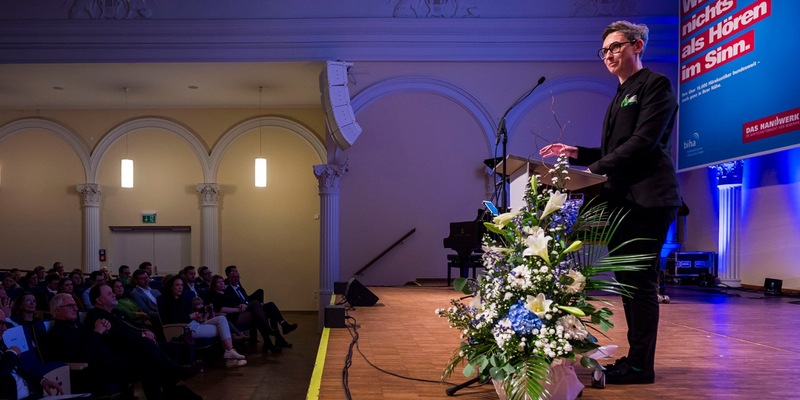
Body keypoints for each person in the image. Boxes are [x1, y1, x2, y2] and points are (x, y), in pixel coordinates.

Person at [539, 20, 680, 385]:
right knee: (628, 284)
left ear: (637, 46)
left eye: (616, 47)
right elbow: (616, 149)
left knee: (640, 283)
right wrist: (577, 153)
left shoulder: (655, 85)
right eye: (604, 51)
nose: (608, 55)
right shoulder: (620, 92)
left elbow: (643, 143)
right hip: (623, 201)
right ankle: (636, 360)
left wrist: (592, 170)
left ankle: (641, 367)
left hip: (648, 199)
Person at [83, 283, 203, 400]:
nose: (114, 294)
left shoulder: (116, 313)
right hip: (118, 357)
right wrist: (141, 335)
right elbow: (118, 337)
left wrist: (145, 331)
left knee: (176, 348)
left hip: (135, 350)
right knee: (150, 361)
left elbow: (135, 326)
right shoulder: (96, 317)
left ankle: (176, 379)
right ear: (99, 300)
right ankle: (177, 375)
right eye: (109, 294)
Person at [158, 275, 247, 368]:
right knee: (222, 328)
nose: (180, 287)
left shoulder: (182, 300)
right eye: (177, 285)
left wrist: (197, 317)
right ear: (171, 287)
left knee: (222, 319)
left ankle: (230, 354)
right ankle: (231, 357)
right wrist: (190, 316)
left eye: (181, 285)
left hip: (194, 324)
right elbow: (173, 319)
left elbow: (189, 316)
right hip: (185, 329)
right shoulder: (167, 301)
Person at [0, 308, 66, 399]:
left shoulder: (1, 344)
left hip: (31, 395)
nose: (5, 329)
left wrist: (42, 381)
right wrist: (11, 354)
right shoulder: (9, 353)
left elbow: (19, 368)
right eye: (0, 323)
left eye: (4, 323)